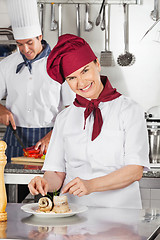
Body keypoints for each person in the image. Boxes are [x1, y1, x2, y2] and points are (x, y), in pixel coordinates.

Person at [28, 34, 149, 209]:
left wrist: (91, 185)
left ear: (97, 64)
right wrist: (44, 182)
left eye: (85, 71)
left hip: (121, 217)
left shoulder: (130, 110)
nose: (81, 82)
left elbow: (134, 171)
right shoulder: (64, 118)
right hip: (73, 216)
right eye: (71, 78)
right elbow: (56, 173)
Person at [0, 1, 74, 202]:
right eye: (20, 44)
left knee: (46, 198)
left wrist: (53, 135)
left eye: (29, 43)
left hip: (50, 139)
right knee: (12, 198)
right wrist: (1, 109)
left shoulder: (59, 64)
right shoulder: (6, 65)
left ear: (40, 37)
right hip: (15, 139)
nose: (25, 49)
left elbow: (72, 108)